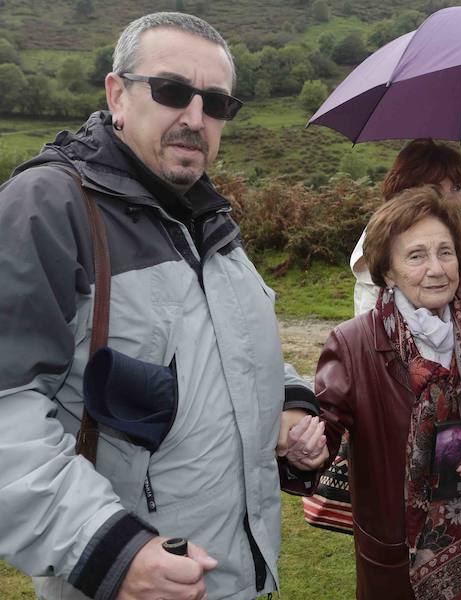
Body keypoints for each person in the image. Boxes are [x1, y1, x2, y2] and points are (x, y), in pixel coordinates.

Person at [0, 12, 328, 600]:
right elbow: (7, 411)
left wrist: (289, 408)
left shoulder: (211, 221)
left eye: (217, 102)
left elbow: (236, 354)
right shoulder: (48, 207)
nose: (195, 118)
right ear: (117, 94)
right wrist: (111, 550)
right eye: (173, 91)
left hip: (241, 578)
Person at [315, 186, 461, 600]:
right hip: (395, 549)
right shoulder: (354, 342)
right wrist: (300, 439)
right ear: (389, 270)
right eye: (416, 256)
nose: (436, 269)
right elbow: (320, 434)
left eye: (445, 252)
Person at [350, 138, 461, 314]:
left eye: (456, 188)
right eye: (434, 190)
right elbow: (371, 330)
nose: (450, 200)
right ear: (403, 193)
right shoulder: (381, 245)